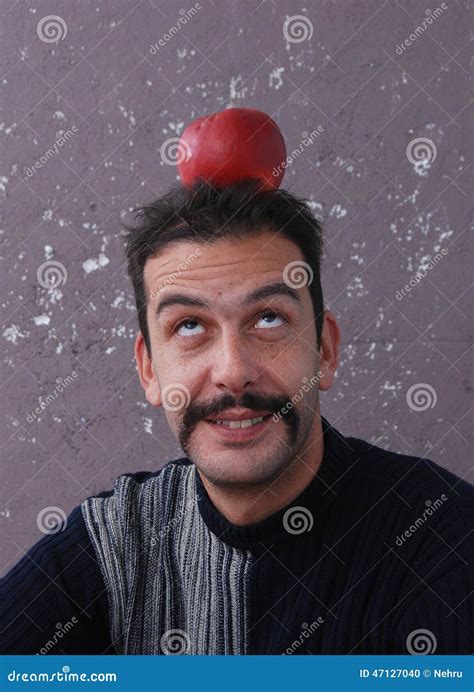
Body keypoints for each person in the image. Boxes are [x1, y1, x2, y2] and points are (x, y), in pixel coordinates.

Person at [1, 179, 472, 655]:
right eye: (189, 325)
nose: (233, 372)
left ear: (325, 349)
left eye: (268, 318)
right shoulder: (115, 545)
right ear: (149, 369)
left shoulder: (441, 538)